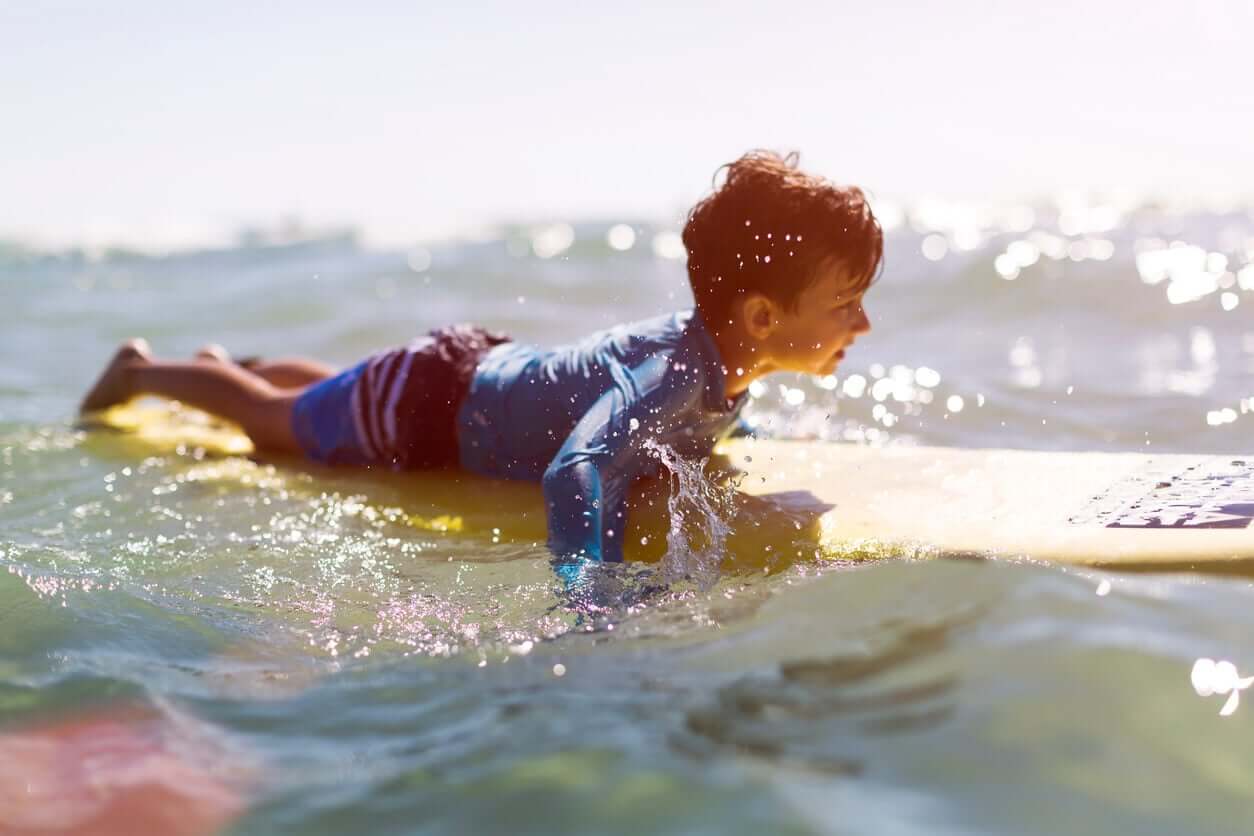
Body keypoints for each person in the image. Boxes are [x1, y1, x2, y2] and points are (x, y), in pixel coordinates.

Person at [81, 150, 881, 582]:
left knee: (337, 391)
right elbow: (573, 474)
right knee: (275, 422)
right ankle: (142, 372)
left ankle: (240, 366)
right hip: (429, 404)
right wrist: (591, 594)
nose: (863, 320)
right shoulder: (674, 375)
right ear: (763, 317)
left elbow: (678, 425)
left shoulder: (722, 359)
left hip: (458, 375)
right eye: (846, 301)